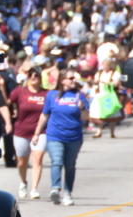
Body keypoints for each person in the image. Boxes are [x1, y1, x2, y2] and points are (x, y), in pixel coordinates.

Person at [32, 69, 89, 206]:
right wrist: (37, 133)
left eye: (74, 78)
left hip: (74, 136)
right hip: (55, 135)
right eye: (70, 78)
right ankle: (55, 189)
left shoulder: (79, 96)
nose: (73, 80)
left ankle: (68, 193)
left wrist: (82, 109)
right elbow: (45, 115)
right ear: (62, 80)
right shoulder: (52, 95)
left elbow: (86, 118)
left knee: (70, 165)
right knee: (56, 161)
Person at [9, 64, 48, 201]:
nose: (33, 77)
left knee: (37, 158)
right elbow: (7, 102)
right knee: (21, 161)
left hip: (41, 131)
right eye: (30, 75)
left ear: (40, 77)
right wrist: (11, 114)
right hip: (21, 131)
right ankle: (23, 182)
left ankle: (34, 189)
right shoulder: (20, 91)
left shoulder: (46, 94)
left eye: (36, 75)